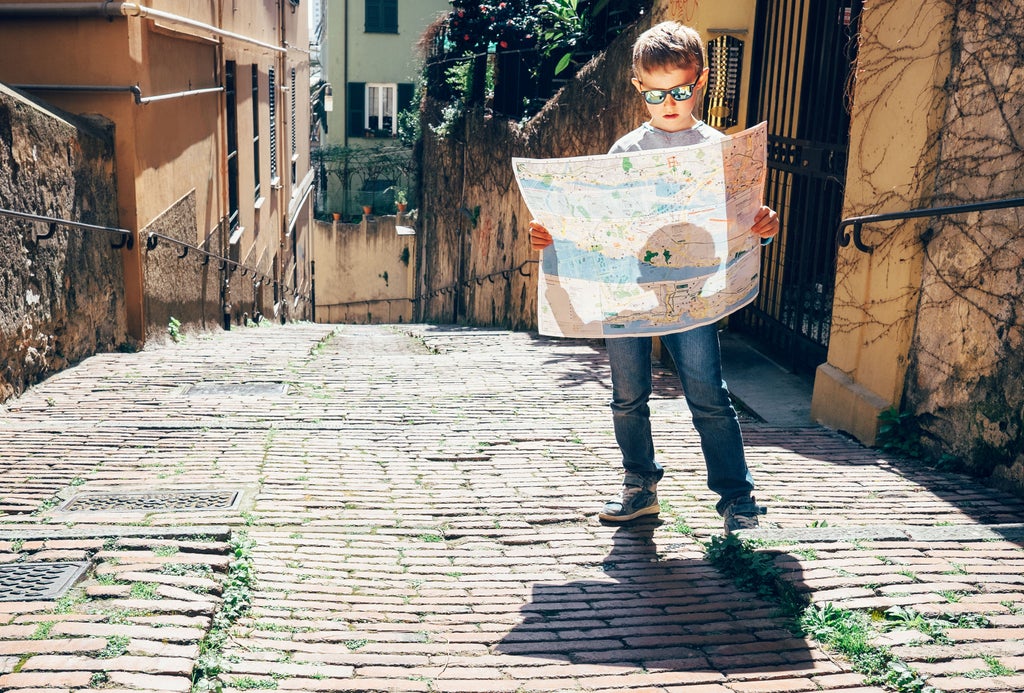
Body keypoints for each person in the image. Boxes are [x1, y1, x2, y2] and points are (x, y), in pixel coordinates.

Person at [528, 20, 780, 533]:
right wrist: (551, 237)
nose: (670, 103)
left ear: (702, 81)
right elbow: (598, 226)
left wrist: (766, 227)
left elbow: (742, 223)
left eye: (682, 91)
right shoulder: (625, 152)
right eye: (657, 94)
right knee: (627, 396)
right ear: (639, 88)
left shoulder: (721, 150)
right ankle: (639, 486)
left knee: (709, 394)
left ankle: (738, 499)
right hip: (627, 292)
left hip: (693, 292)